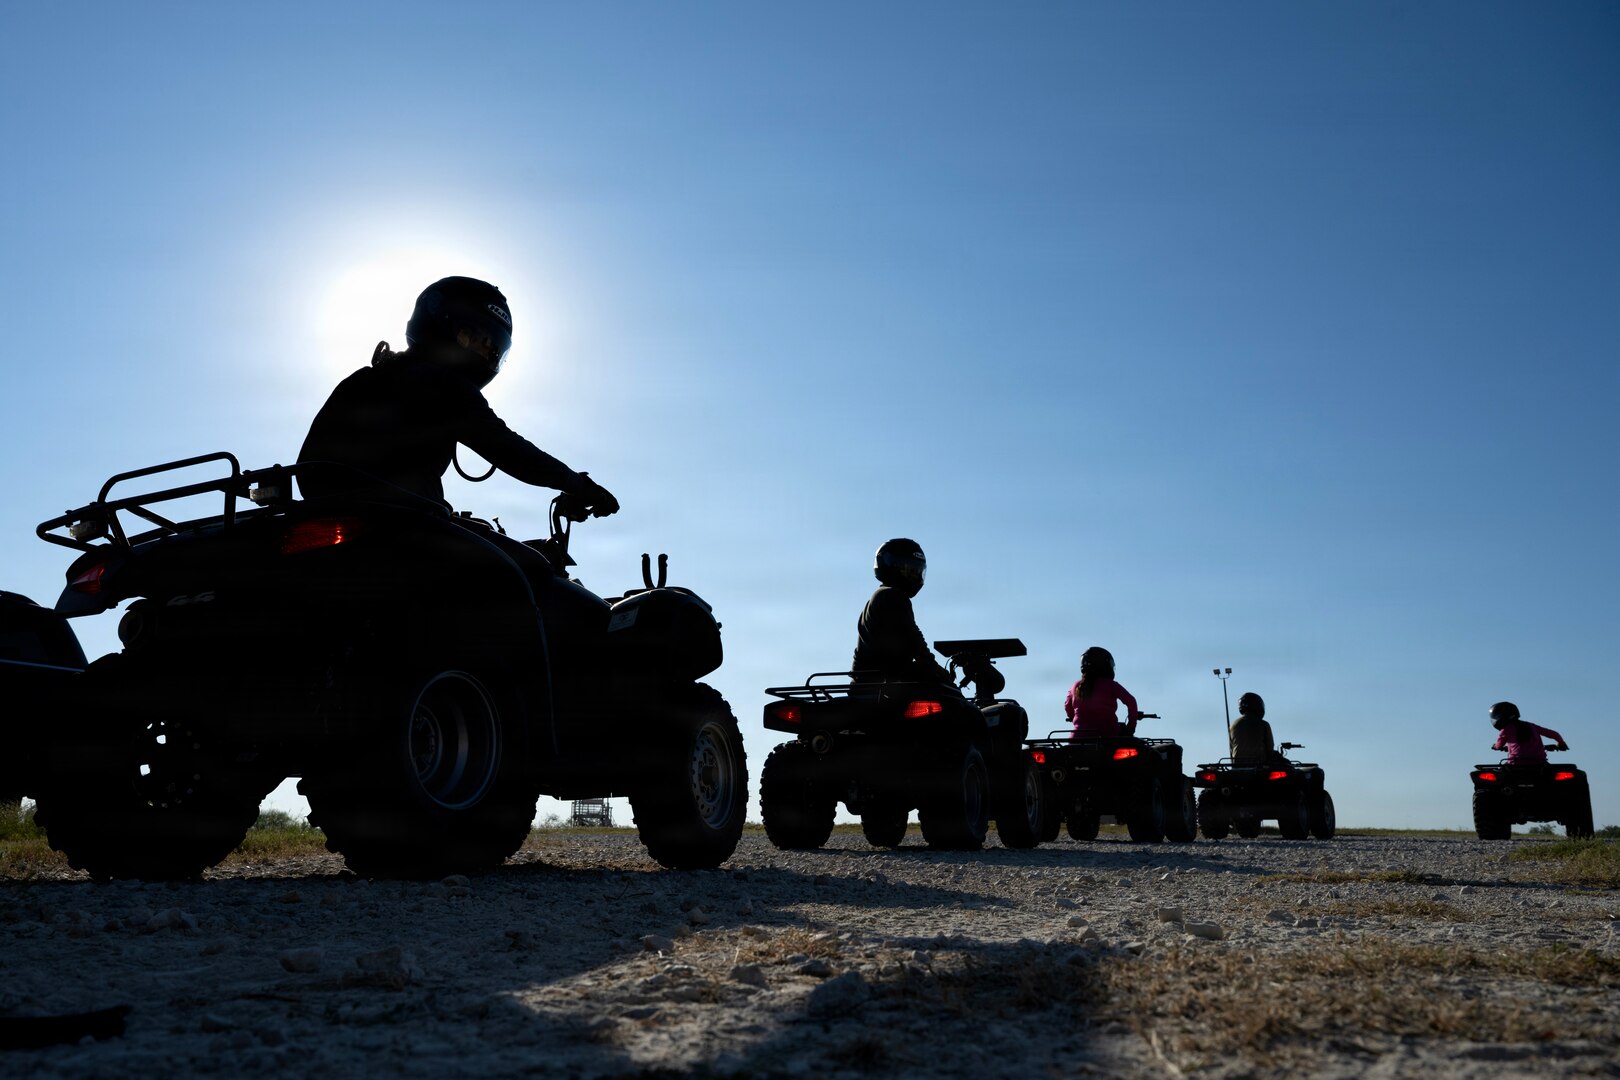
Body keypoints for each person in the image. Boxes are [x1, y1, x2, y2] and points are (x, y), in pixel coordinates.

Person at [297, 276, 618, 517]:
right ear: (441, 324)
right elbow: (508, 449)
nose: (482, 353)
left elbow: (312, 458)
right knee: (517, 575)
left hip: (331, 510)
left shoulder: (370, 376)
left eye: (491, 348)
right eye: (472, 337)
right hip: (397, 520)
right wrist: (578, 485)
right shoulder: (441, 383)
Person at [851, 538, 955, 685]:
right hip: (882, 686)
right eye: (910, 569)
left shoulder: (881, 596)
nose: (916, 576)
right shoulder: (892, 596)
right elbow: (913, 637)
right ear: (892, 566)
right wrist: (936, 670)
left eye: (918, 571)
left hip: (876, 684)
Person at [1063, 646, 1140, 738]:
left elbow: (1067, 706)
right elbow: (1131, 701)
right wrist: (1131, 727)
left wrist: (1075, 719)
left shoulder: (1075, 686)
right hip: (1108, 737)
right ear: (1105, 665)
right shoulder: (1111, 685)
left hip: (1077, 738)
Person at [1489, 701, 1569, 766]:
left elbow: (1499, 745)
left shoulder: (1506, 730)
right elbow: (1554, 734)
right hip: (1538, 762)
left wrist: (1495, 746)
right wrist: (1561, 743)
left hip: (1516, 763)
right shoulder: (1532, 726)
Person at [1228, 692, 1277, 764]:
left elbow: (1231, 748)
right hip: (1259, 766)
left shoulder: (1233, 725)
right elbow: (1270, 748)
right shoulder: (1263, 724)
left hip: (1238, 766)